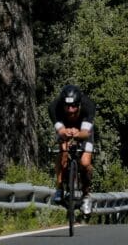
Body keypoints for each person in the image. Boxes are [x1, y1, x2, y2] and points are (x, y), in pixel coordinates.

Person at [48, 84, 96, 215]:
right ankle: (59, 187)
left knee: (85, 162)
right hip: (66, 129)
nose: (70, 110)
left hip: (83, 130)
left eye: (74, 106)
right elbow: (61, 131)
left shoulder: (88, 106)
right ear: (62, 104)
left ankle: (86, 195)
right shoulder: (54, 107)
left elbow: (86, 133)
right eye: (67, 107)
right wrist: (65, 132)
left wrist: (77, 133)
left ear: (80, 104)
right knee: (62, 152)